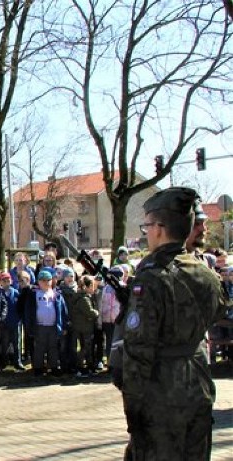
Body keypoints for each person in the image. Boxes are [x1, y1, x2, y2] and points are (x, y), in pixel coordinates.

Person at [118, 187, 229, 460]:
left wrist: (132, 410)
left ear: (158, 228)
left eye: (146, 226)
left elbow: (137, 353)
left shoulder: (150, 278)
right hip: (198, 383)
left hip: (160, 393)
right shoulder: (206, 274)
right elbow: (219, 310)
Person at [24, 270, 67, 376]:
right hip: (39, 326)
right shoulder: (34, 295)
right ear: (38, 281)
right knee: (39, 347)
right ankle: (38, 368)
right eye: (43, 280)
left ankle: (54, 367)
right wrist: (29, 326)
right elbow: (28, 312)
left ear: (52, 281)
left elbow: (63, 311)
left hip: (53, 326)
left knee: (53, 347)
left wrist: (64, 325)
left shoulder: (56, 294)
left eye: (48, 280)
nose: (46, 282)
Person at [71, 276, 99, 378]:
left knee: (86, 348)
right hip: (84, 328)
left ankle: (88, 367)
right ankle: (80, 368)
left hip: (81, 327)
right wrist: (97, 312)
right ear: (85, 287)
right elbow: (91, 313)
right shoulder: (84, 299)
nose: (93, 288)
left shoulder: (79, 297)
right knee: (85, 348)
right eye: (91, 286)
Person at [0, 272, 23, 370]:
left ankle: (17, 362)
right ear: (0, 282)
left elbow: (20, 306)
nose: (6, 283)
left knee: (17, 344)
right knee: (4, 343)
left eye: (8, 281)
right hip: (4, 323)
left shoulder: (15, 292)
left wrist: (19, 318)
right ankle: (3, 362)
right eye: (4, 281)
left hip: (15, 322)